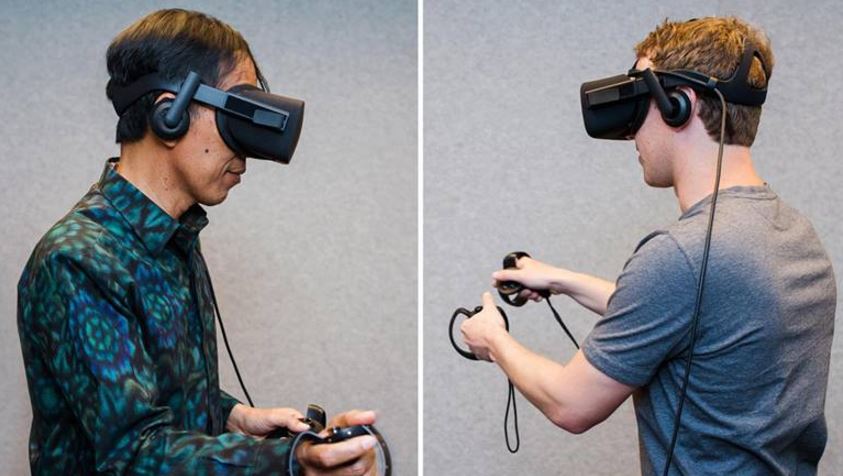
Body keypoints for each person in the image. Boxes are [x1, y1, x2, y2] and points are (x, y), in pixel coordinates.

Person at [460, 16, 836, 475]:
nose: (632, 134)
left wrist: (493, 340)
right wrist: (560, 279)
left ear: (680, 104)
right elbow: (698, 316)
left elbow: (570, 405)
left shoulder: (680, 256)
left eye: (641, 106)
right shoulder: (794, 233)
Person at [17, 9, 377, 475]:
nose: (246, 155)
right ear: (172, 112)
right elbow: (132, 453)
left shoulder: (175, 240)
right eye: (237, 117)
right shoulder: (79, 259)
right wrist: (291, 462)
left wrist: (233, 415)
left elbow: (143, 388)